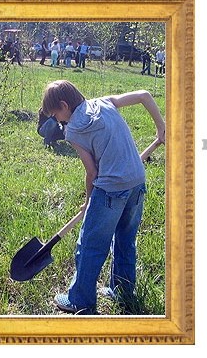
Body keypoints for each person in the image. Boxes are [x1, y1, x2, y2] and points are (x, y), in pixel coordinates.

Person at [39, 80, 165, 314]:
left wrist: (88, 201)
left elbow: (92, 172)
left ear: (64, 105)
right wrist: (161, 128)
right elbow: (144, 94)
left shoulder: (74, 130)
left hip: (110, 189)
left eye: (56, 114)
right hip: (137, 181)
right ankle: (123, 291)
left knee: (90, 244)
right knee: (126, 240)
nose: (58, 121)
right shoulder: (105, 103)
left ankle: (80, 300)